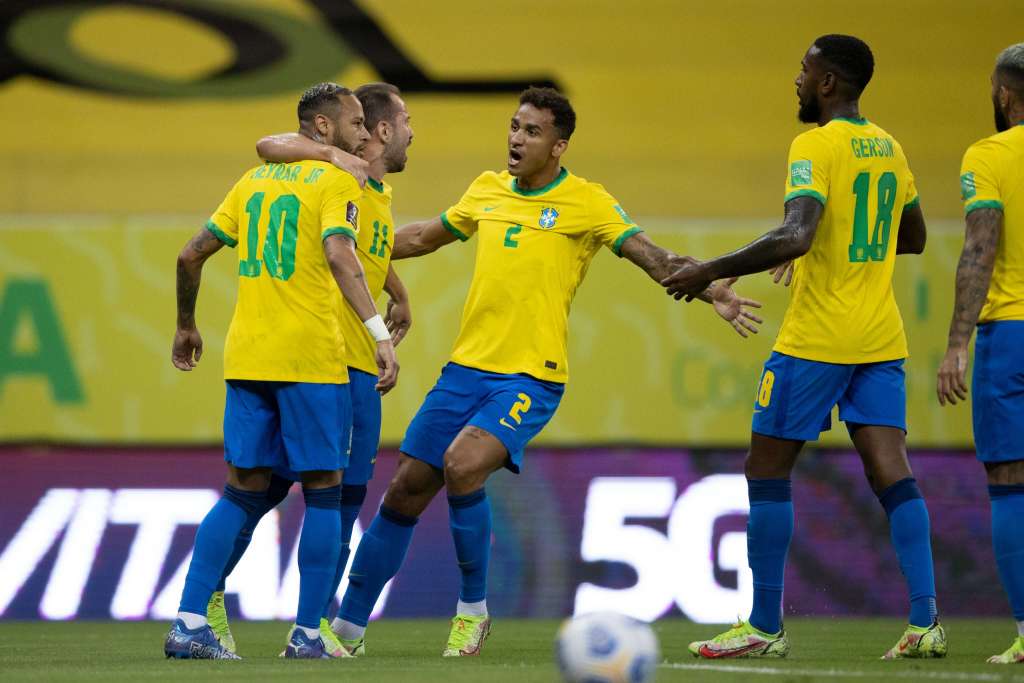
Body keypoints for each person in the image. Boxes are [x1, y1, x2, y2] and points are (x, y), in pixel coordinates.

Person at [331, 86, 764, 657]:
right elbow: (416, 238)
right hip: (464, 370)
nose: (515, 138)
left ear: (558, 146)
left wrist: (711, 289)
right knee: (405, 491)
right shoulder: (486, 189)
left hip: (531, 377)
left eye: (531, 131)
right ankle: (347, 632)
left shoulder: (587, 202)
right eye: (514, 126)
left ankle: (472, 613)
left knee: (463, 464)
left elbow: (655, 259)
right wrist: (343, 243)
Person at [665, 35, 946, 660]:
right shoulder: (889, 146)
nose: (796, 78)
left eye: (804, 69)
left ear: (827, 83)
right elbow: (916, 236)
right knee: (891, 472)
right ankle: (925, 620)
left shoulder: (814, 144)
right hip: (880, 337)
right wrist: (832, 250)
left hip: (818, 339)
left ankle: (764, 627)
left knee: (765, 471)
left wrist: (707, 269)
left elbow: (795, 233)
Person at [163, 82, 398, 660]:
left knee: (239, 492)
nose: (364, 133)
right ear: (321, 128)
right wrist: (378, 333)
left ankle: (189, 623)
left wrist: (186, 324)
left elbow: (190, 254)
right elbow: (342, 256)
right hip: (310, 358)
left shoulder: (250, 181)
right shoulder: (335, 180)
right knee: (324, 492)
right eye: (353, 124)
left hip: (247, 357)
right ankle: (306, 634)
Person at [936, 42, 1024, 665]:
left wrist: (956, 344)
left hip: (1011, 335)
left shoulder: (989, 155)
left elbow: (979, 249)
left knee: (1011, 483)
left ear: (1002, 93)